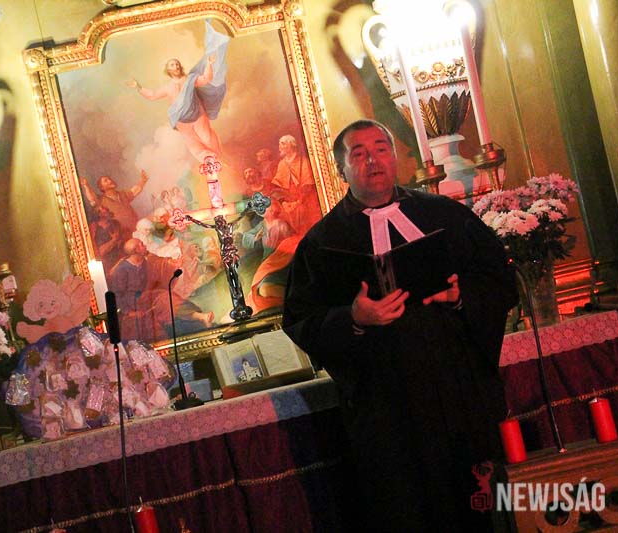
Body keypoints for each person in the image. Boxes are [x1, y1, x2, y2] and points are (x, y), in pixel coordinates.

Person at [282, 119, 518, 531]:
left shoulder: (445, 214)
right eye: (358, 153)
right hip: (385, 409)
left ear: (394, 158)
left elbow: (498, 277)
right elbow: (300, 319)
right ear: (341, 170)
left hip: (459, 393)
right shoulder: (320, 243)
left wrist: (461, 295)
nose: (372, 160)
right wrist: (354, 318)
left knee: (480, 508)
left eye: (381, 148)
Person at [127, 21, 230, 163]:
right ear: (168, 70)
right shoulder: (167, 87)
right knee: (192, 143)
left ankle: (219, 157)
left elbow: (206, 79)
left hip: (197, 114)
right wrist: (138, 87)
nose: (175, 66)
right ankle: (208, 161)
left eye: (176, 64)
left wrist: (209, 64)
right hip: (181, 120)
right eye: (172, 64)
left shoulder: (190, 79)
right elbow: (152, 96)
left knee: (207, 137)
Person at [271, 134, 321, 235]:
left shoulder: (304, 162)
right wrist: (284, 203)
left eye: (283, 144)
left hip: (306, 201)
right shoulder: (281, 164)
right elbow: (276, 188)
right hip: (288, 203)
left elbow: (308, 186)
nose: (279, 147)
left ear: (291, 145)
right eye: (279, 144)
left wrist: (297, 202)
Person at [81, 172, 149, 241]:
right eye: (106, 181)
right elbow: (92, 198)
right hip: (122, 235)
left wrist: (143, 181)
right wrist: (86, 186)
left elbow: (134, 191)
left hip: (137, 229)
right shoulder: (101, 200)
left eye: (109, 179)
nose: (110, 181)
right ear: (102, 187)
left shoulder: (122, 194)